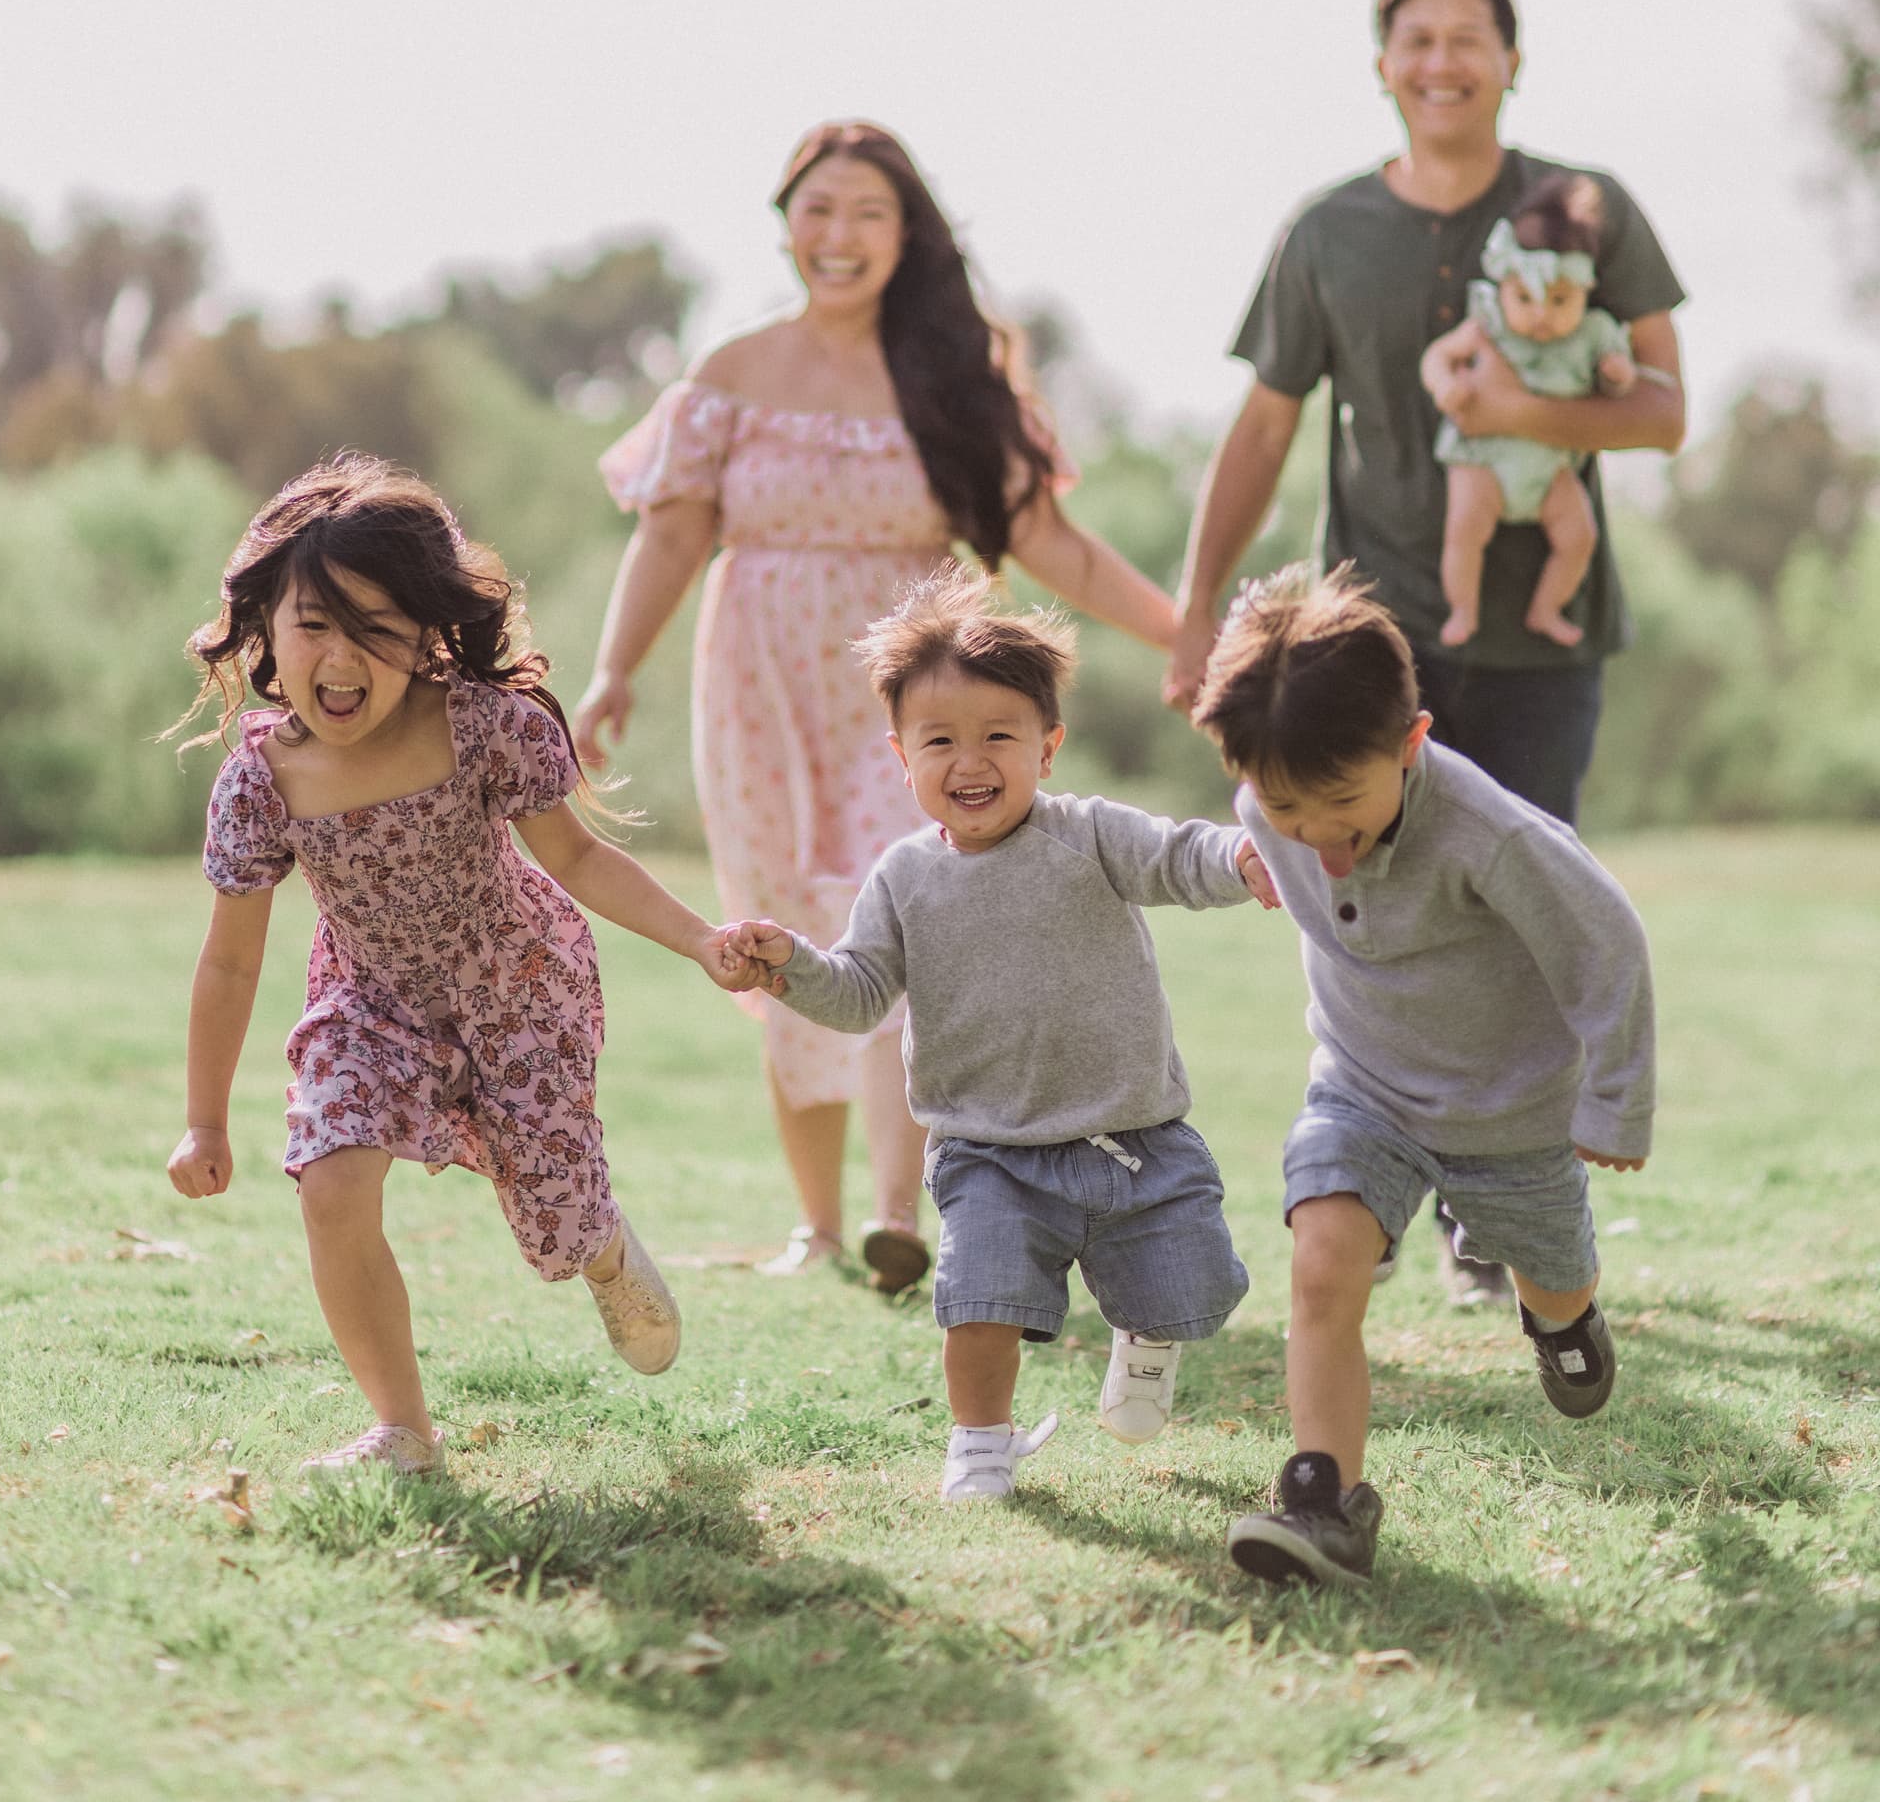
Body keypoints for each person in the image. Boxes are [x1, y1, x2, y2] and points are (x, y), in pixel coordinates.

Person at [576, 122, 1177, 1292]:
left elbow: (1048, 539)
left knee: (895, 912)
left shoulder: (948, 380)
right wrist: (611, 673)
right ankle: (816, 1223)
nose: (839, 237)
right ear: (788, 224)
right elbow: (672, 535)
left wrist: (1182, 633)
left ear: (907, 237)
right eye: (819, 210)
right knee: (782, 923)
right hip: (755, 687)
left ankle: (900, 1209)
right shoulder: (736, 375)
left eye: (867, 214)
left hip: (910, 696)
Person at [1167, 0, 1681, 1302]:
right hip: (1371, 637)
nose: (1442, 62)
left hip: (1543, 639)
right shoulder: (1327, 230)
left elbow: (1663, 410)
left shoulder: (1587, 209)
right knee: (1364, 907)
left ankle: (1500, 1203)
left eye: (1470, 40)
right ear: (1383, 65)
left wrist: (1524, 420)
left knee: (1522, 901)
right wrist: (1191, 614)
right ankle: (1380, 1165)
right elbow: (1265, 426)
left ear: (1514, 60)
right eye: (1417, 41)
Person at [166, 455, 749, 1477]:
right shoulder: (262, 780)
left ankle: (602, 1247)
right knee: (331, 1183)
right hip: (368, 1003)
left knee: (555, 1226)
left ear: (427, 634)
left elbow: (578, 858)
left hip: (515, 992)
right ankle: (404, 1430)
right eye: (315, 625)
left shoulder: (484, 728)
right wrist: (206, 1117)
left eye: (377, 628)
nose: (341, 657)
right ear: (266, 628)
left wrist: (701, 938)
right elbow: (227, 963)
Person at [721, 566, 1277, 1504]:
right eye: (939, 741)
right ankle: (980, 1444)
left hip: (1132, 1136)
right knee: (977, 1303)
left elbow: (1180, 856)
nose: (968, 761)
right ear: (902, 759)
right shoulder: (901, 877)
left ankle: (1147, 1337)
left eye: (998, 738)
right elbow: (859, 994)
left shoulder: (1090, 836)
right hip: (988, 1149)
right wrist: (790, 965)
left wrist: (1240, 855)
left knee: (1194, 1289)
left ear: (1047, 748)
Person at [1193, 567, 1653, 1590]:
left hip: (1509, 1108)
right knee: (1322, 1262)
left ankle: (1562, 1317)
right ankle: (1323, 1500)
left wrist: (1611, 1099)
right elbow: (1279, 821)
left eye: (1342, 801)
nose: (1315, 832)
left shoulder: (1491, 834)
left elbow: (1606, 942)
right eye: (1282, 804)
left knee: (1555, 1275)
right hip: (1362, 1088)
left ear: (1411, 742)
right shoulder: (1270, 799)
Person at [1429, 172, 1637, 649]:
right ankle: (1463, 608)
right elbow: (1436, 358)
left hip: (1549, 467)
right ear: (1502, 288)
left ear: (1585, 293)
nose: (1540, 315)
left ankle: (1546, 607)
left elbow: (1619, 377)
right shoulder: (1489, 323)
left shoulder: (1592, 334)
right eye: (1524, 298)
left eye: (1560, 300)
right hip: (1483, 457)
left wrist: (1616, 373)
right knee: (1463, 530)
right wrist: (1446, 385)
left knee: (1579, 535)